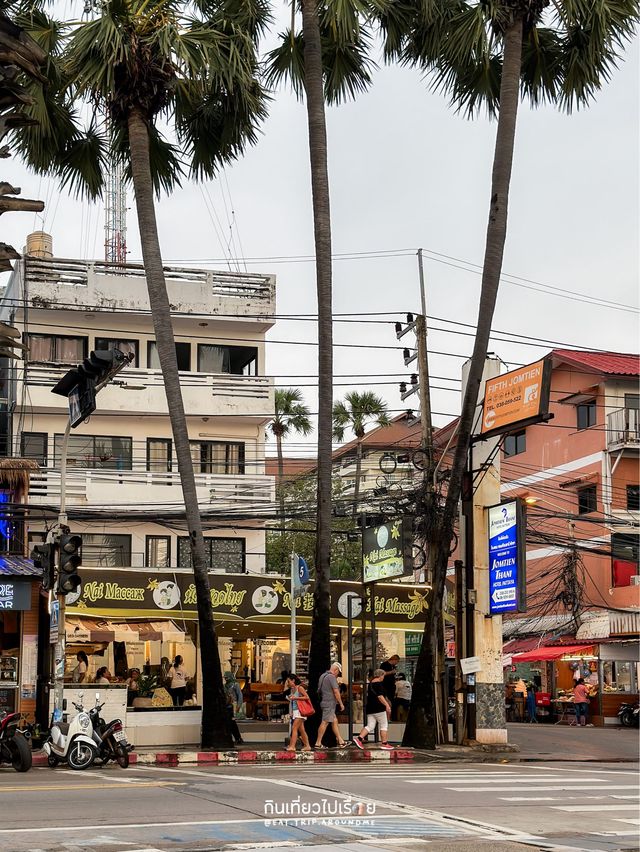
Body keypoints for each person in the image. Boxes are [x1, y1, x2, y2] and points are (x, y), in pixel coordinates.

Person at [353, 669, 394, 751]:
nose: (383, 678)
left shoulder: (370, 684)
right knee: (384, 725)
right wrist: (387, 705)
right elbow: (380, 696)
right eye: (383, 676)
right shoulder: (379, 684)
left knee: (370, 725)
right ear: (380, 675)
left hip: (370, 709)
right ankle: (384, 743)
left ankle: (359, 739)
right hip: (379, 708)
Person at [315, 662, 349, 750]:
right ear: (336, 670)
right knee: (325, 722)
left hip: (324, 702)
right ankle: (318, 743)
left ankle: (341, 741)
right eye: (338, 672)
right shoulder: (331, 677)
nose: (338, 674)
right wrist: (341, 703)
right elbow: (336, 691)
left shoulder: (323, 676)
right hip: (329, 703)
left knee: (334, 721)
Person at [286, 673, 312, 752]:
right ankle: (307, 746)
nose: (288, 683)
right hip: (295, 711)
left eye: (289, 681)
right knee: (302, 730)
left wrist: (295, 697)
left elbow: (307, 697)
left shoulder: (300, 688)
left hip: (300, 711)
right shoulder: (292, 689)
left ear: (293, 680)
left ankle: (292, 746)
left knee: (294, 728)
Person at [224, 671, 244, 745]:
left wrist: (238, 706)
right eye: (225, 678)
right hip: (227, 707)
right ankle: (236, 738)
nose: (226, 679)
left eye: (227, 677)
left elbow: (240, 695)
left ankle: (237, 738)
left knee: (232, 723)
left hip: (233, 706)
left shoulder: (235, 685)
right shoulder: (225, 686)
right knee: (230, 723)